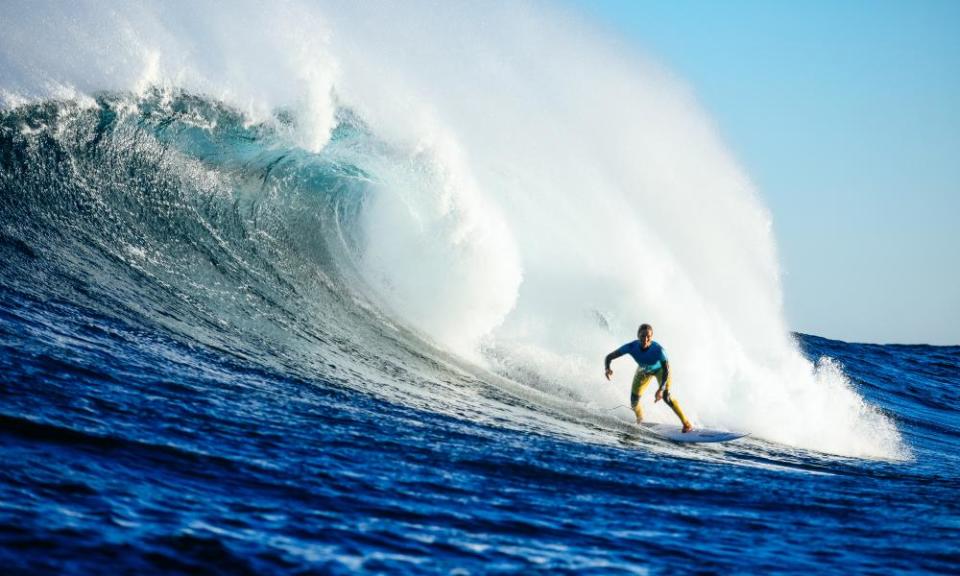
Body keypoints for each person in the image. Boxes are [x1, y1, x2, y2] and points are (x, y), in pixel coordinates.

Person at [604, 323, 693, 432]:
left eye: (648, 336)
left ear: (651, 337)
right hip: (644, 371)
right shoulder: (631, 347)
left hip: (661, 371)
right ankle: (640, 420)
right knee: (634, 402)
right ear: (638, 336)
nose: (645, 339)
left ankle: (686, 424)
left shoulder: (659, 350)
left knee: (666, 396)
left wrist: (660, 389)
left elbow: (666, 370)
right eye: (643, 336)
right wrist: (607, 368)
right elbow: (609, 357)